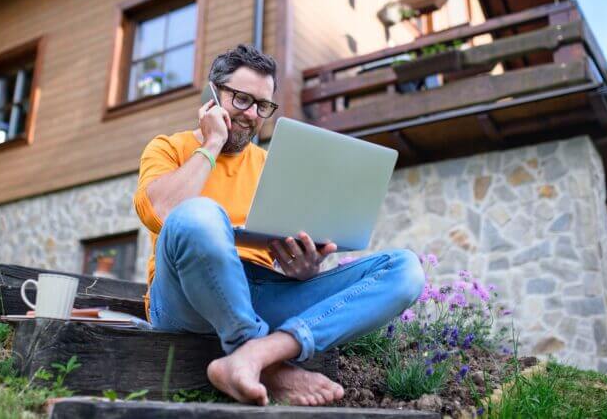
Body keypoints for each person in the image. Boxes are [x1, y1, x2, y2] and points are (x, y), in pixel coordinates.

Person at [133, 44, 425, 406]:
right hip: (181, 299)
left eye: (263, 106)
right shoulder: (167, 148)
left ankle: (258, 355)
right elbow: (162, 211)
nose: (251, 115)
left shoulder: (273, 165)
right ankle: (269, 366)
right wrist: (212, 143)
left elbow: (287, 245)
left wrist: (303, 270)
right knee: (200, 214)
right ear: (213, 94)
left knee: (405, 269)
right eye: (241, 99)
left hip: (259, 292)